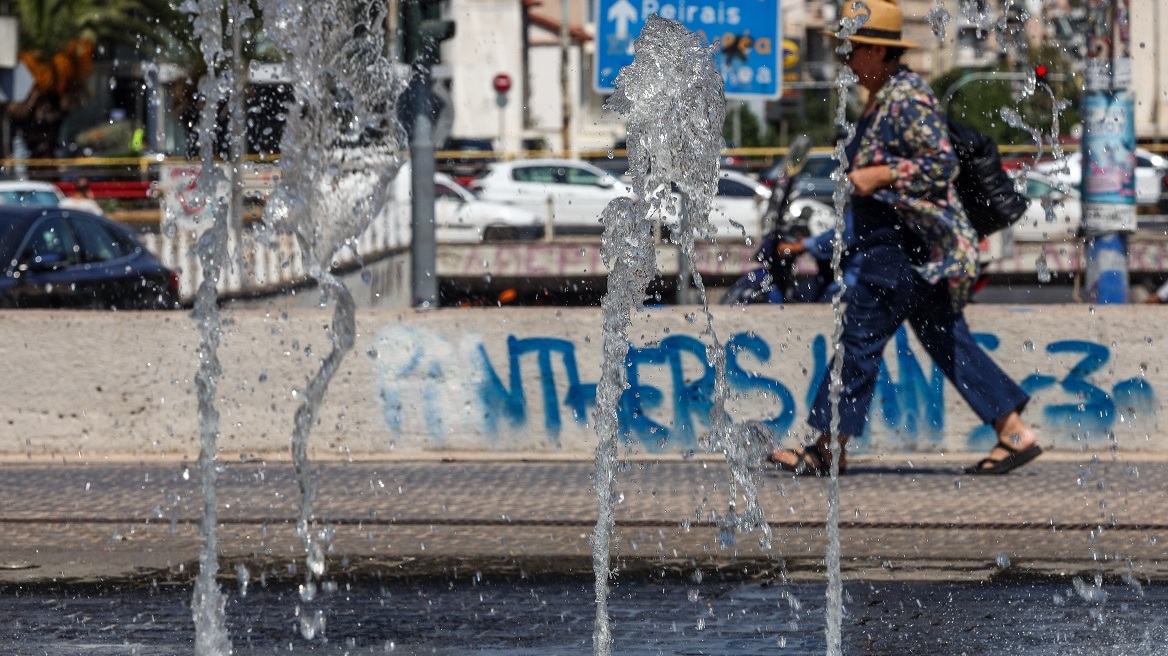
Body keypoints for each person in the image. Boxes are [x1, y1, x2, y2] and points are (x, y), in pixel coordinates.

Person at [767, 0, 1042, 476]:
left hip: (897, 246)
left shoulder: (907, 97)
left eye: (852, 49)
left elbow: (941, 165)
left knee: (858, 342)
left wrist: (880, 174)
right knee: (946, 340)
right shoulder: (882, 97)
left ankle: (828, 447)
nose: (845, 60)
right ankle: (1013, 431)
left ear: (877, 52)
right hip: (913, 249)